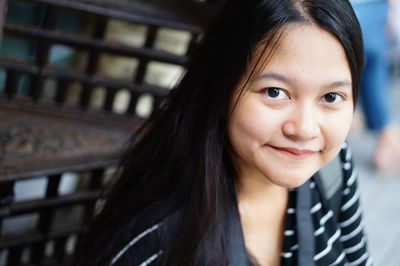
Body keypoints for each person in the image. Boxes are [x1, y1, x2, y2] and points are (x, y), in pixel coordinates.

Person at [76, 0, 371, 265]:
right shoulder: (153, 246)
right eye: (275, 92)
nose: (305, 129)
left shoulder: (333, 166)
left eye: (331, 97)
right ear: (220, 90)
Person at [351, 0, 400, 172]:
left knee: (367, 64)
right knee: (373, 66)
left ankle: (388, 136)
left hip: (355, 8)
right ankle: (388, 136)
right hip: (374, 8)